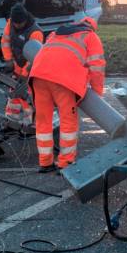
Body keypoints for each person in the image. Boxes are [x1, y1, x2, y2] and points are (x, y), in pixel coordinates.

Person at [29, 17, 105, 173]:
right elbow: (97, 67)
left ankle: (45, 163)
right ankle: (66, 162)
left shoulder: (55, 33)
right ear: (92, 27)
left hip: (38, 76)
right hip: (62, 81)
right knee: (68, 122)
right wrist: (97, 94)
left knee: (43, 121)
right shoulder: (90, 36)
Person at [0, 3, 44, 125]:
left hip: (30, 70)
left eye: (19, 23)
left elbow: (33, 59)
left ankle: (28, 123)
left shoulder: (36, 33)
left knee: (27, 96)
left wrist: (25, 75)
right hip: (16, 65)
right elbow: (5, 41)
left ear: (25, 19)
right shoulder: (11, 23)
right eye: (15, 23)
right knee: (13, 96)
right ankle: (11, 121)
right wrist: (8, 59)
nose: (17, 25)